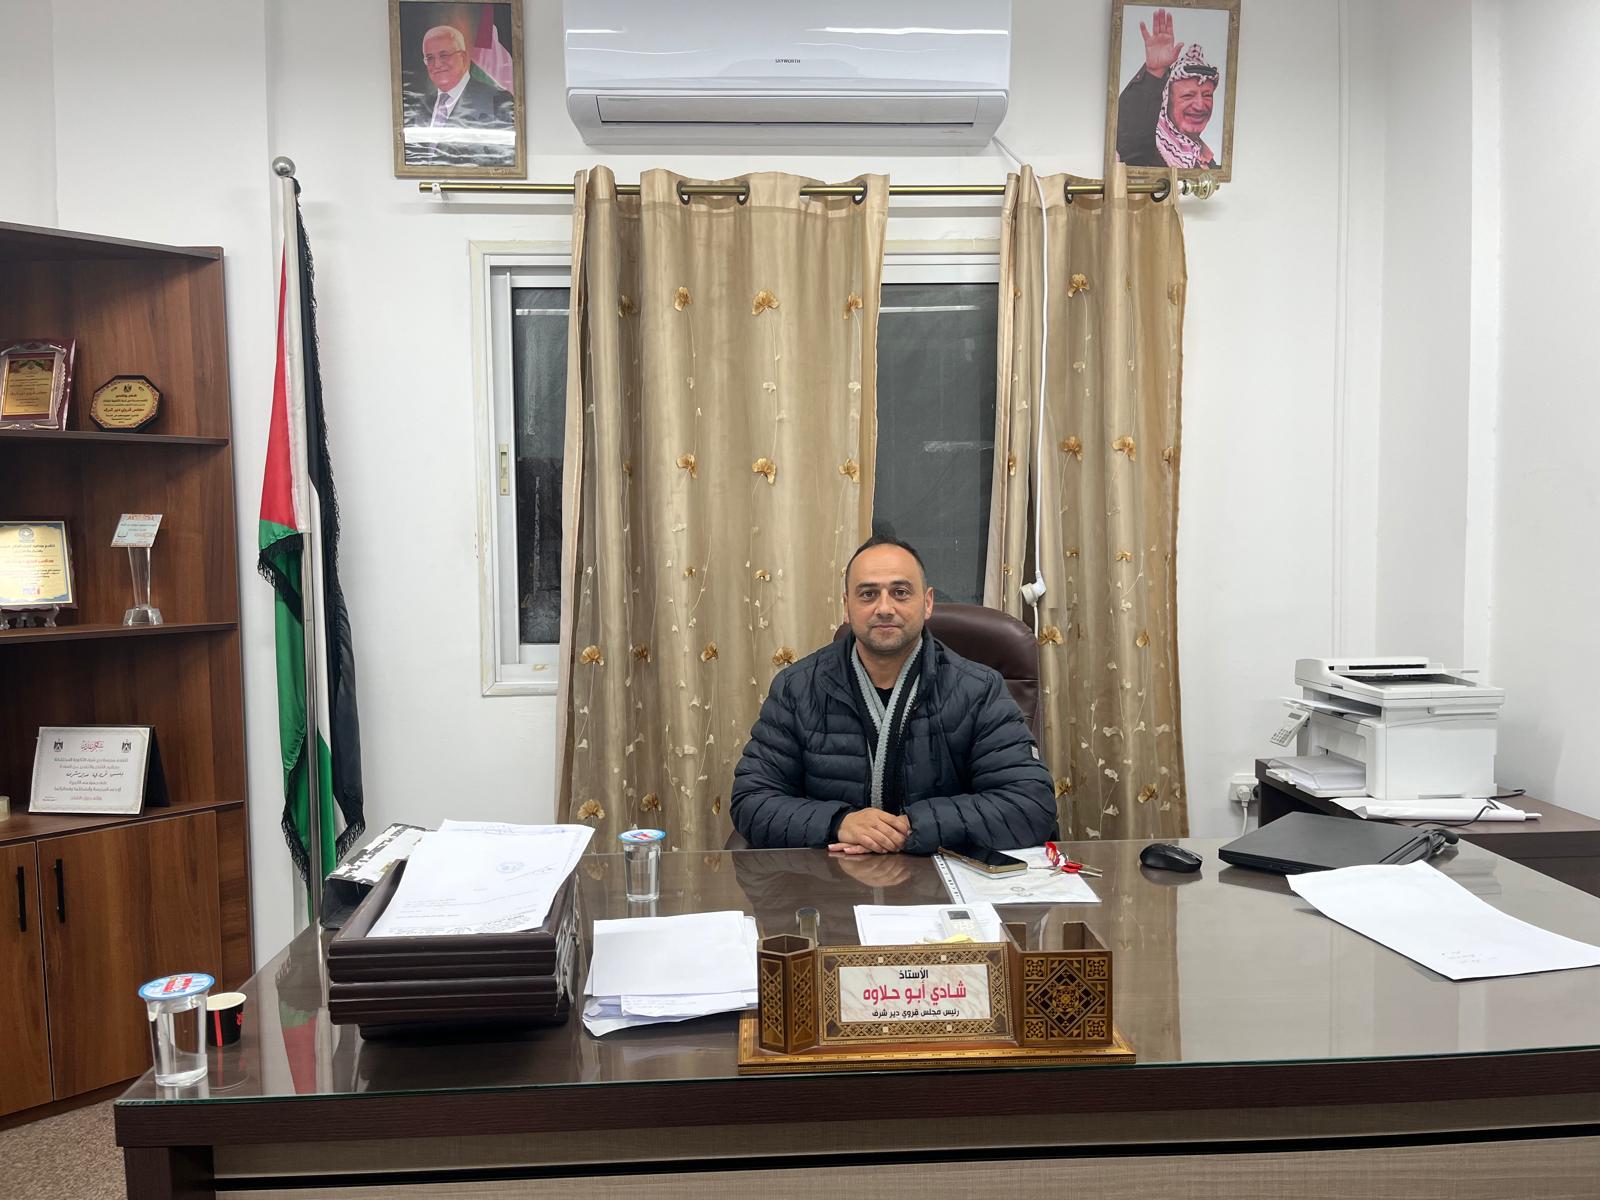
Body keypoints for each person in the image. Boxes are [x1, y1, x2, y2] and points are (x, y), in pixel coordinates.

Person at [730, 535, 1057, 856]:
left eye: (900, 593)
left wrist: (914, 826)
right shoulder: (797, 688)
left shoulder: (978, 689)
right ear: (847, 607)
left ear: (927, 603)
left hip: (938, 881)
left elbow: (1030, 803)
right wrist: (839, 822)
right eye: (868, 594)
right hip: (831, 882)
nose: (884, 608)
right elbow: (753, 798)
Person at [1115, 8, 1220, 170]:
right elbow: (1129, 138)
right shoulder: (1147, 148)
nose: (1200, 105)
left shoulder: (1206, 161)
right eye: (1188, 95)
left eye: (1207, 95)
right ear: (1166, 101)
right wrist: (1154, 74)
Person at [404, 24, 514, 166]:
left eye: (444, 55)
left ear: (463, 57)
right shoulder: (420, 106)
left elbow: (505, 161)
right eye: (429, 58)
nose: (437, 64)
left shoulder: (497, 101)